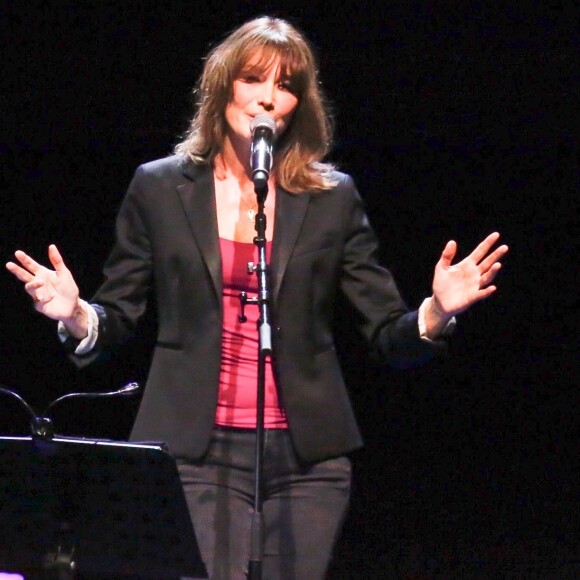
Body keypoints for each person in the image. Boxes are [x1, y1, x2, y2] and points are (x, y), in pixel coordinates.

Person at [6, 16, 508, 580]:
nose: (268, 98)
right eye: (254, 79)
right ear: (224, 85)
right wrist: (75, 313)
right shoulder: (158, 186)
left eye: (286, 85)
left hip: (307, 460)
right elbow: (118, 315)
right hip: (194, 453)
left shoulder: (333, 198)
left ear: (300, 103)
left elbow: (387, 333)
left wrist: (436, 311)